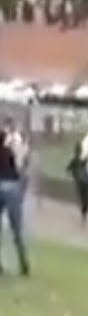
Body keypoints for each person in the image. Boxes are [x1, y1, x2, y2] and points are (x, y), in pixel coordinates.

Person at [0, 115, 31, 275]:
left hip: (10, 184)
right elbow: (21, 166)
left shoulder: (15, 141)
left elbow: (21, 163)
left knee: (16, 228)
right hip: (11, 185)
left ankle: (23, 262)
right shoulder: (16, 141)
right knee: (16, 228)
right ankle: (23, 263)